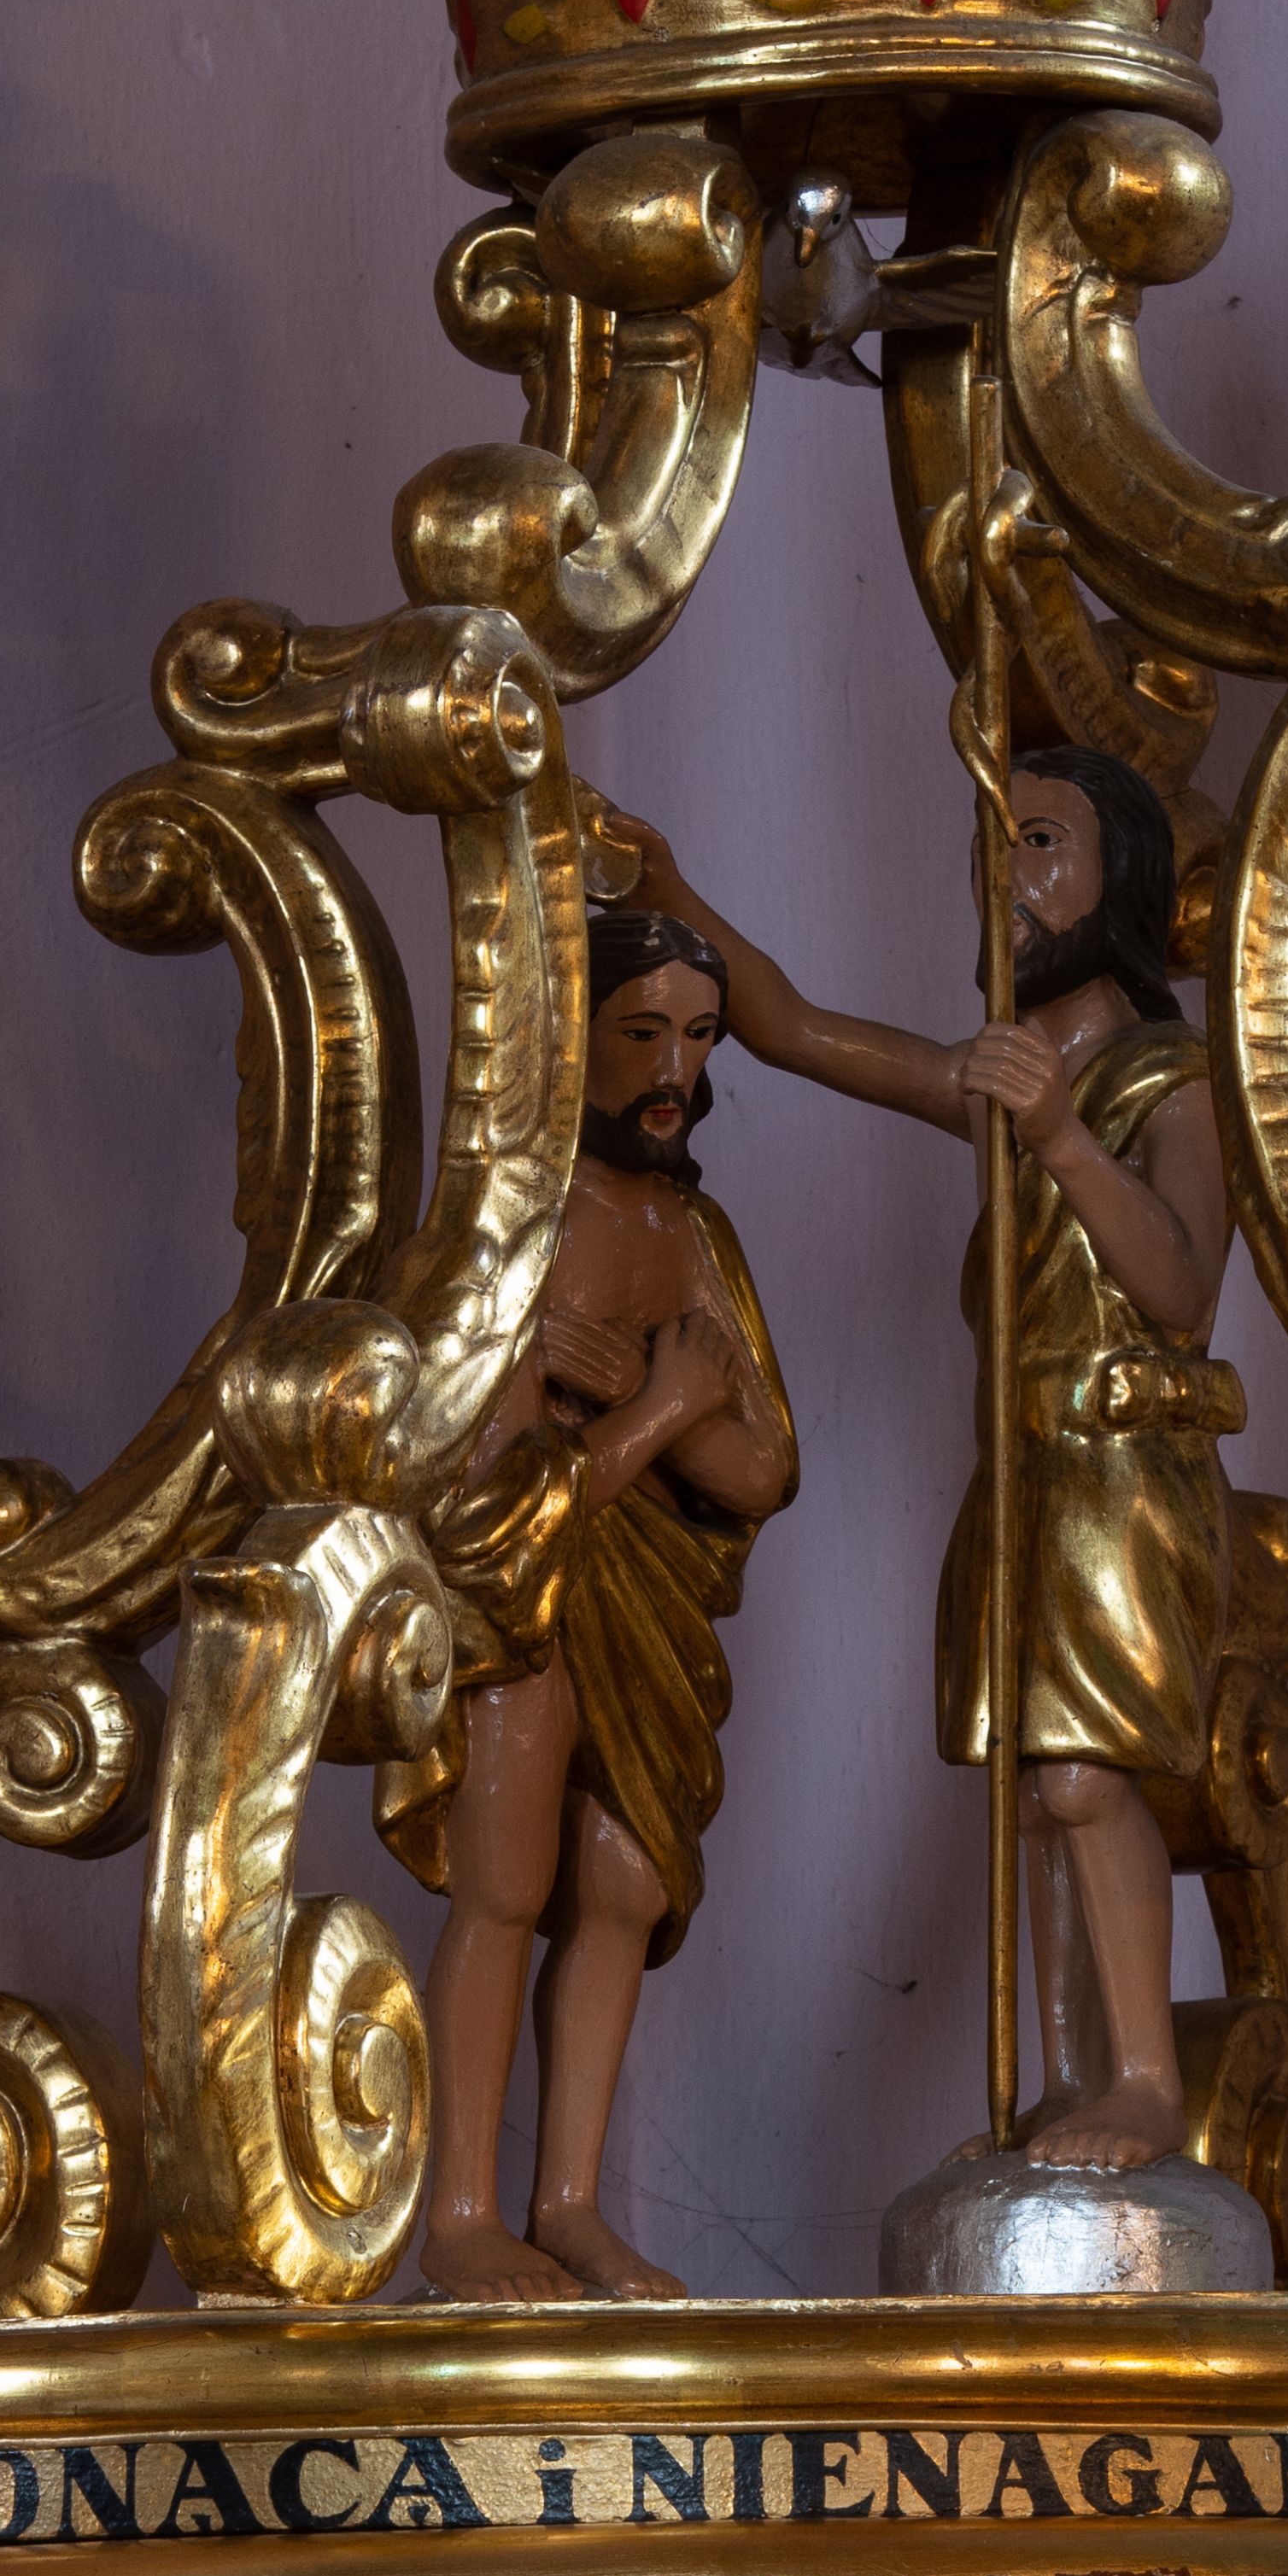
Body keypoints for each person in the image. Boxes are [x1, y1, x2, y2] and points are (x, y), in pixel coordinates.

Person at [633, 750, 1238, 2174]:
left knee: (1084, 1777)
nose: (1003, 874)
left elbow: (1179, 1281)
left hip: (1119, 1470)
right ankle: (1073, 2083)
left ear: (1119, 880)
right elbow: (795, 1029)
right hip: (1020, 1476)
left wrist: (1060, 1133)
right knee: (1033, 1788)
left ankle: (1147, 2081)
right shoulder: (993, 1077)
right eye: (991, 842)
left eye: (1040, 841)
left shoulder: (1170, 1077)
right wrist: (671, 888)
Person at [381, 903, 796, 2302]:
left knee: (620, 1881)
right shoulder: (517, 1225)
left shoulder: (697, 1232)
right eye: (645, 1033)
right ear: (577, 1038)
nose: (677, 1071)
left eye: (702, 1038)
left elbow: (765, 1464)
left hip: (650, 1600)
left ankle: (567, 2206)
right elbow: (493, 1490)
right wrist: (665, 1408)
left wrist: (632, 1399)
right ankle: (460, 2214)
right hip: (526, 1600)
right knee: (506, 1881)